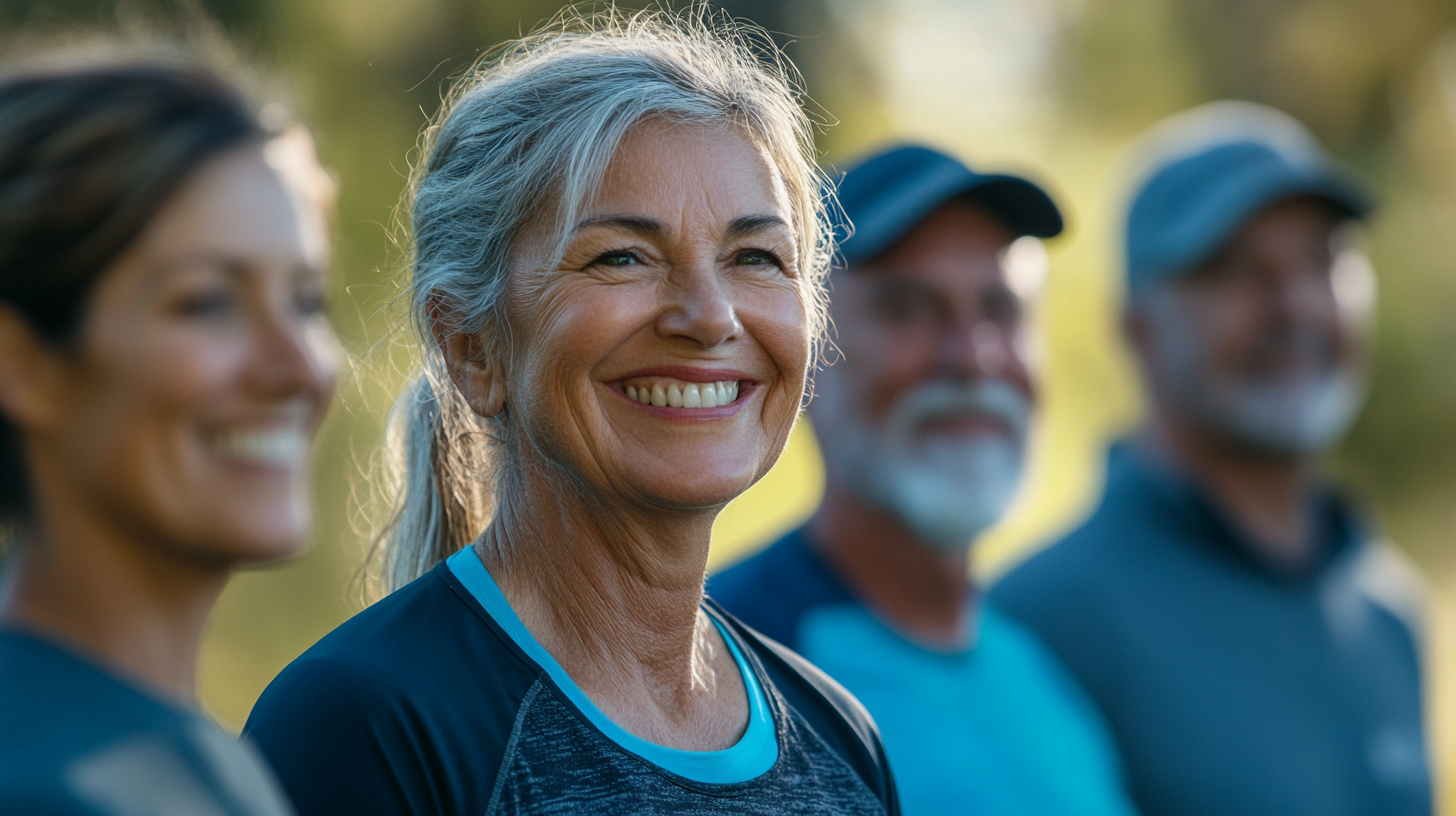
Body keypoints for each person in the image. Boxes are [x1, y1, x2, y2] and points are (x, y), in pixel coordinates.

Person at [243, 12, 900, 815]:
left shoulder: (839, 738)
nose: (709, 316)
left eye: (755, 257)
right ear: (471, 349)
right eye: (621, 256)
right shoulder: (364, 725)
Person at [989, 101, 1431, 816]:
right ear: (1136, 327)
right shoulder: (1041, 622)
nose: (1294, 308)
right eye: (1236, 271)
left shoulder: (1390, 618)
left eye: (1323, 262)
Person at [709, 143, 1140, 816]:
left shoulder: (1043, 678)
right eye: (909, 310)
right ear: (802, 352)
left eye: (1001, 309)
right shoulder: (719, 681)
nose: (972, 358)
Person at [0, 46, 339, 816]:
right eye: (207, 304)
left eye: (307, 302)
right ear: (22, 362)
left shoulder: (202, 760)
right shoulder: (42, 789)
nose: (296, 369)